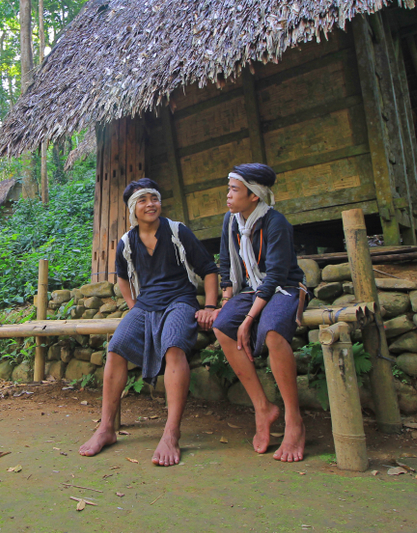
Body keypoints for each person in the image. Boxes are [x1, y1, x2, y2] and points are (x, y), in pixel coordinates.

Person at [79, 178, 219, 466]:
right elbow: (121, 277)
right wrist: (134, 308)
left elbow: (208, 269)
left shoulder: (178, 231)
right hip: (145, 305)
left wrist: (210, 305)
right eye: (142, 200)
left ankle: (171, 433)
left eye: (153, 198)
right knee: (116, 346)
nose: (150, 204)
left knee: (174, 346)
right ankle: (106, 428)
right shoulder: (127, 243)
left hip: (181, 300)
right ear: (133, 208)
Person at [196, 163, 308, 462]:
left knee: (271, 333)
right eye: (229, 189)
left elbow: (274, 277)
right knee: (221, 325)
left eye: (234, 190)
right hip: (249, 289)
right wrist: (228, 299)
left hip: (284, 287)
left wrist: (247, 320)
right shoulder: (231, 221)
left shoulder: (276, 223)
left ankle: (294, 421)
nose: (228, 196)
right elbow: (225, 265)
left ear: (254, 195)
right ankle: (263, 407)